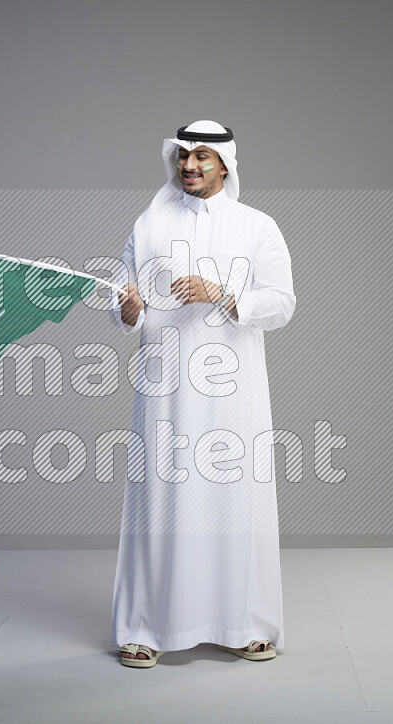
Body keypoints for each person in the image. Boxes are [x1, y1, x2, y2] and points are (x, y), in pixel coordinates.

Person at [109, 120, 296, 668]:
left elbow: (283, 303)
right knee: (159, 501)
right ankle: (146, 627)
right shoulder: (148, 226)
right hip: (164, 387)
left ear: (225, 165)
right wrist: (127, 309)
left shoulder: (257, 227)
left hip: (232, 392)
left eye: (200, 159)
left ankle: (245, 624)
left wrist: (225, 294)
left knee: (235, 497)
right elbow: (125, 302)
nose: (187, 167)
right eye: (182, 158)